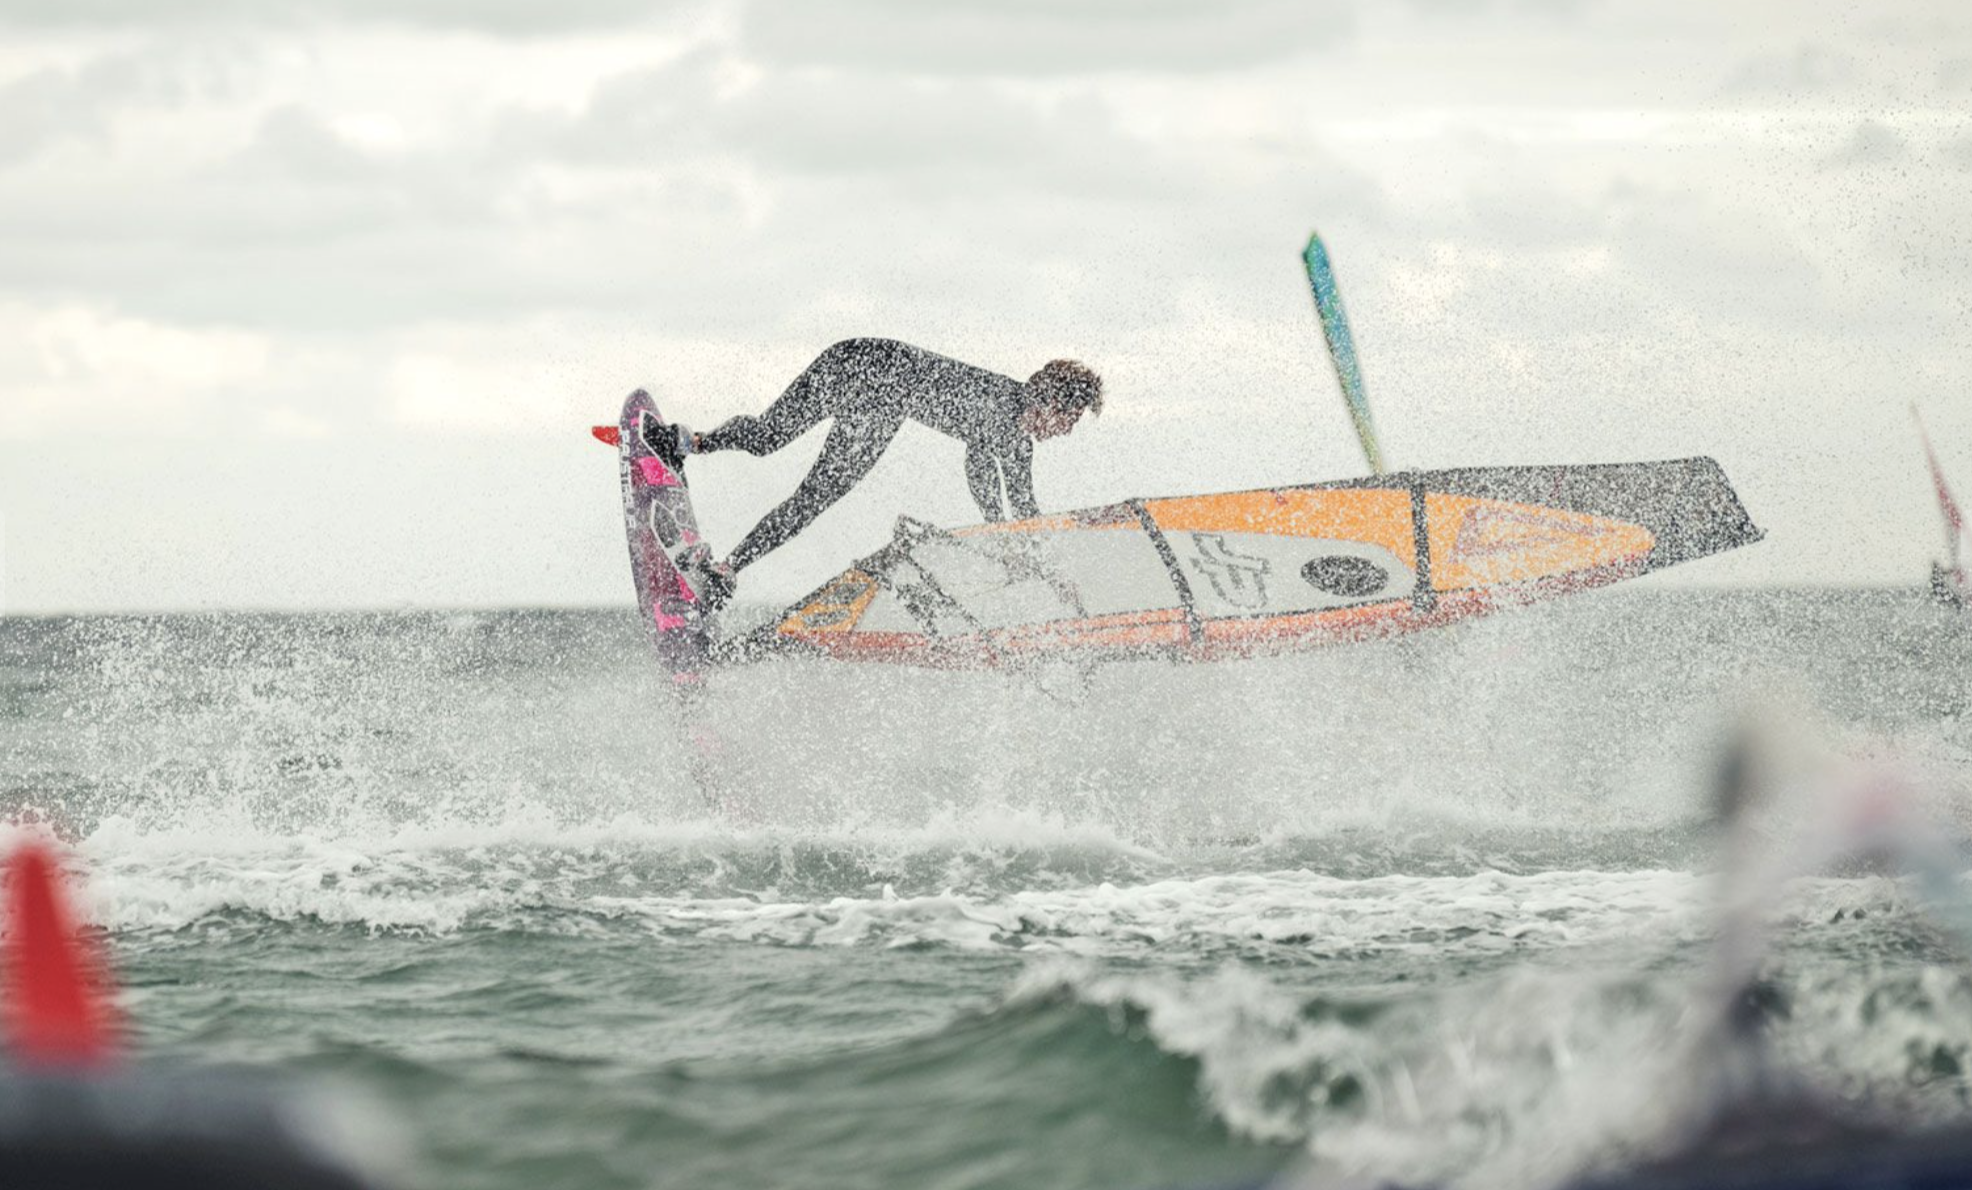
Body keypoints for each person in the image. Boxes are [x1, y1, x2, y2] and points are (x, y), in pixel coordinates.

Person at [657, 337, 1103, 606]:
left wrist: (1035, 560)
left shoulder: (1015, 437)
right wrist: (1004, 534)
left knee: (792, 472)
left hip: (873, 388)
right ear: (1050, 403)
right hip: (862, 366)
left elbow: (1020, 505)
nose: (1066, 432)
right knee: (771, 441)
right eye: (1071, 419)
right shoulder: (1003, 409)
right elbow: (982, 469)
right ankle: (690, 446)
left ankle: (724, 554)